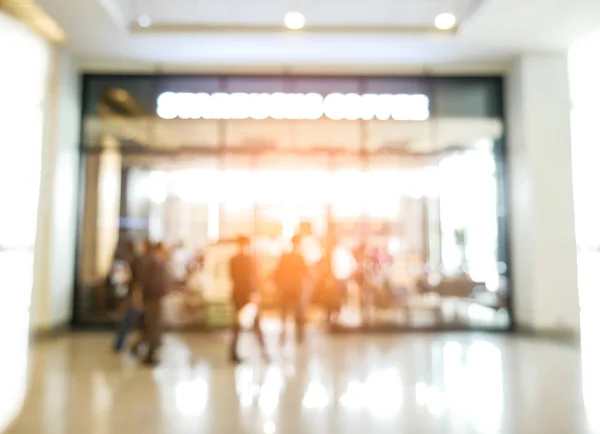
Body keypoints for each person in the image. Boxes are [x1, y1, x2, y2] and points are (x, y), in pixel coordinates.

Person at [229, 235, 267, 363]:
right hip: (248, 297)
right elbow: (251, 279)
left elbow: (233, 278)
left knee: (238, 325)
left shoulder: (233, 259)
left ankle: (233, 353)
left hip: (237, 296)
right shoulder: (248, 260)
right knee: (256, 325)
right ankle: (264, 351)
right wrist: (254, 293)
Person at [136, 242, 171, 366]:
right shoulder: (155, 261)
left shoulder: (150, 261)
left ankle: (139, 347)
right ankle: (149, 353)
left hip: (151, 297)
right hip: (153, 298)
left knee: (151, 325)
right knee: (153, 326)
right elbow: (147, 281)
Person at [113, 240, 147, 352]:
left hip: (133, 295)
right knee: (129, 321)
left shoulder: (134, 261)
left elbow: (133, 281)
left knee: (130, 322)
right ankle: (122, 345)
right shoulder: (134, 261)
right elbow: (134, 282)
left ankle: (123, 345)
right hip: (133, 296)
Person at [275, 235, 308, 344]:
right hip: (296, 288)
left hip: (286, 288)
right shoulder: (299, 257)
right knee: (297, 313)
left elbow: (278, 272)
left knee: (284, 314)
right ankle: (299, 337)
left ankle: (283, 335)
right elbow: (306, 273)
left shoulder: (285, 256)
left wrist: (279, 285)